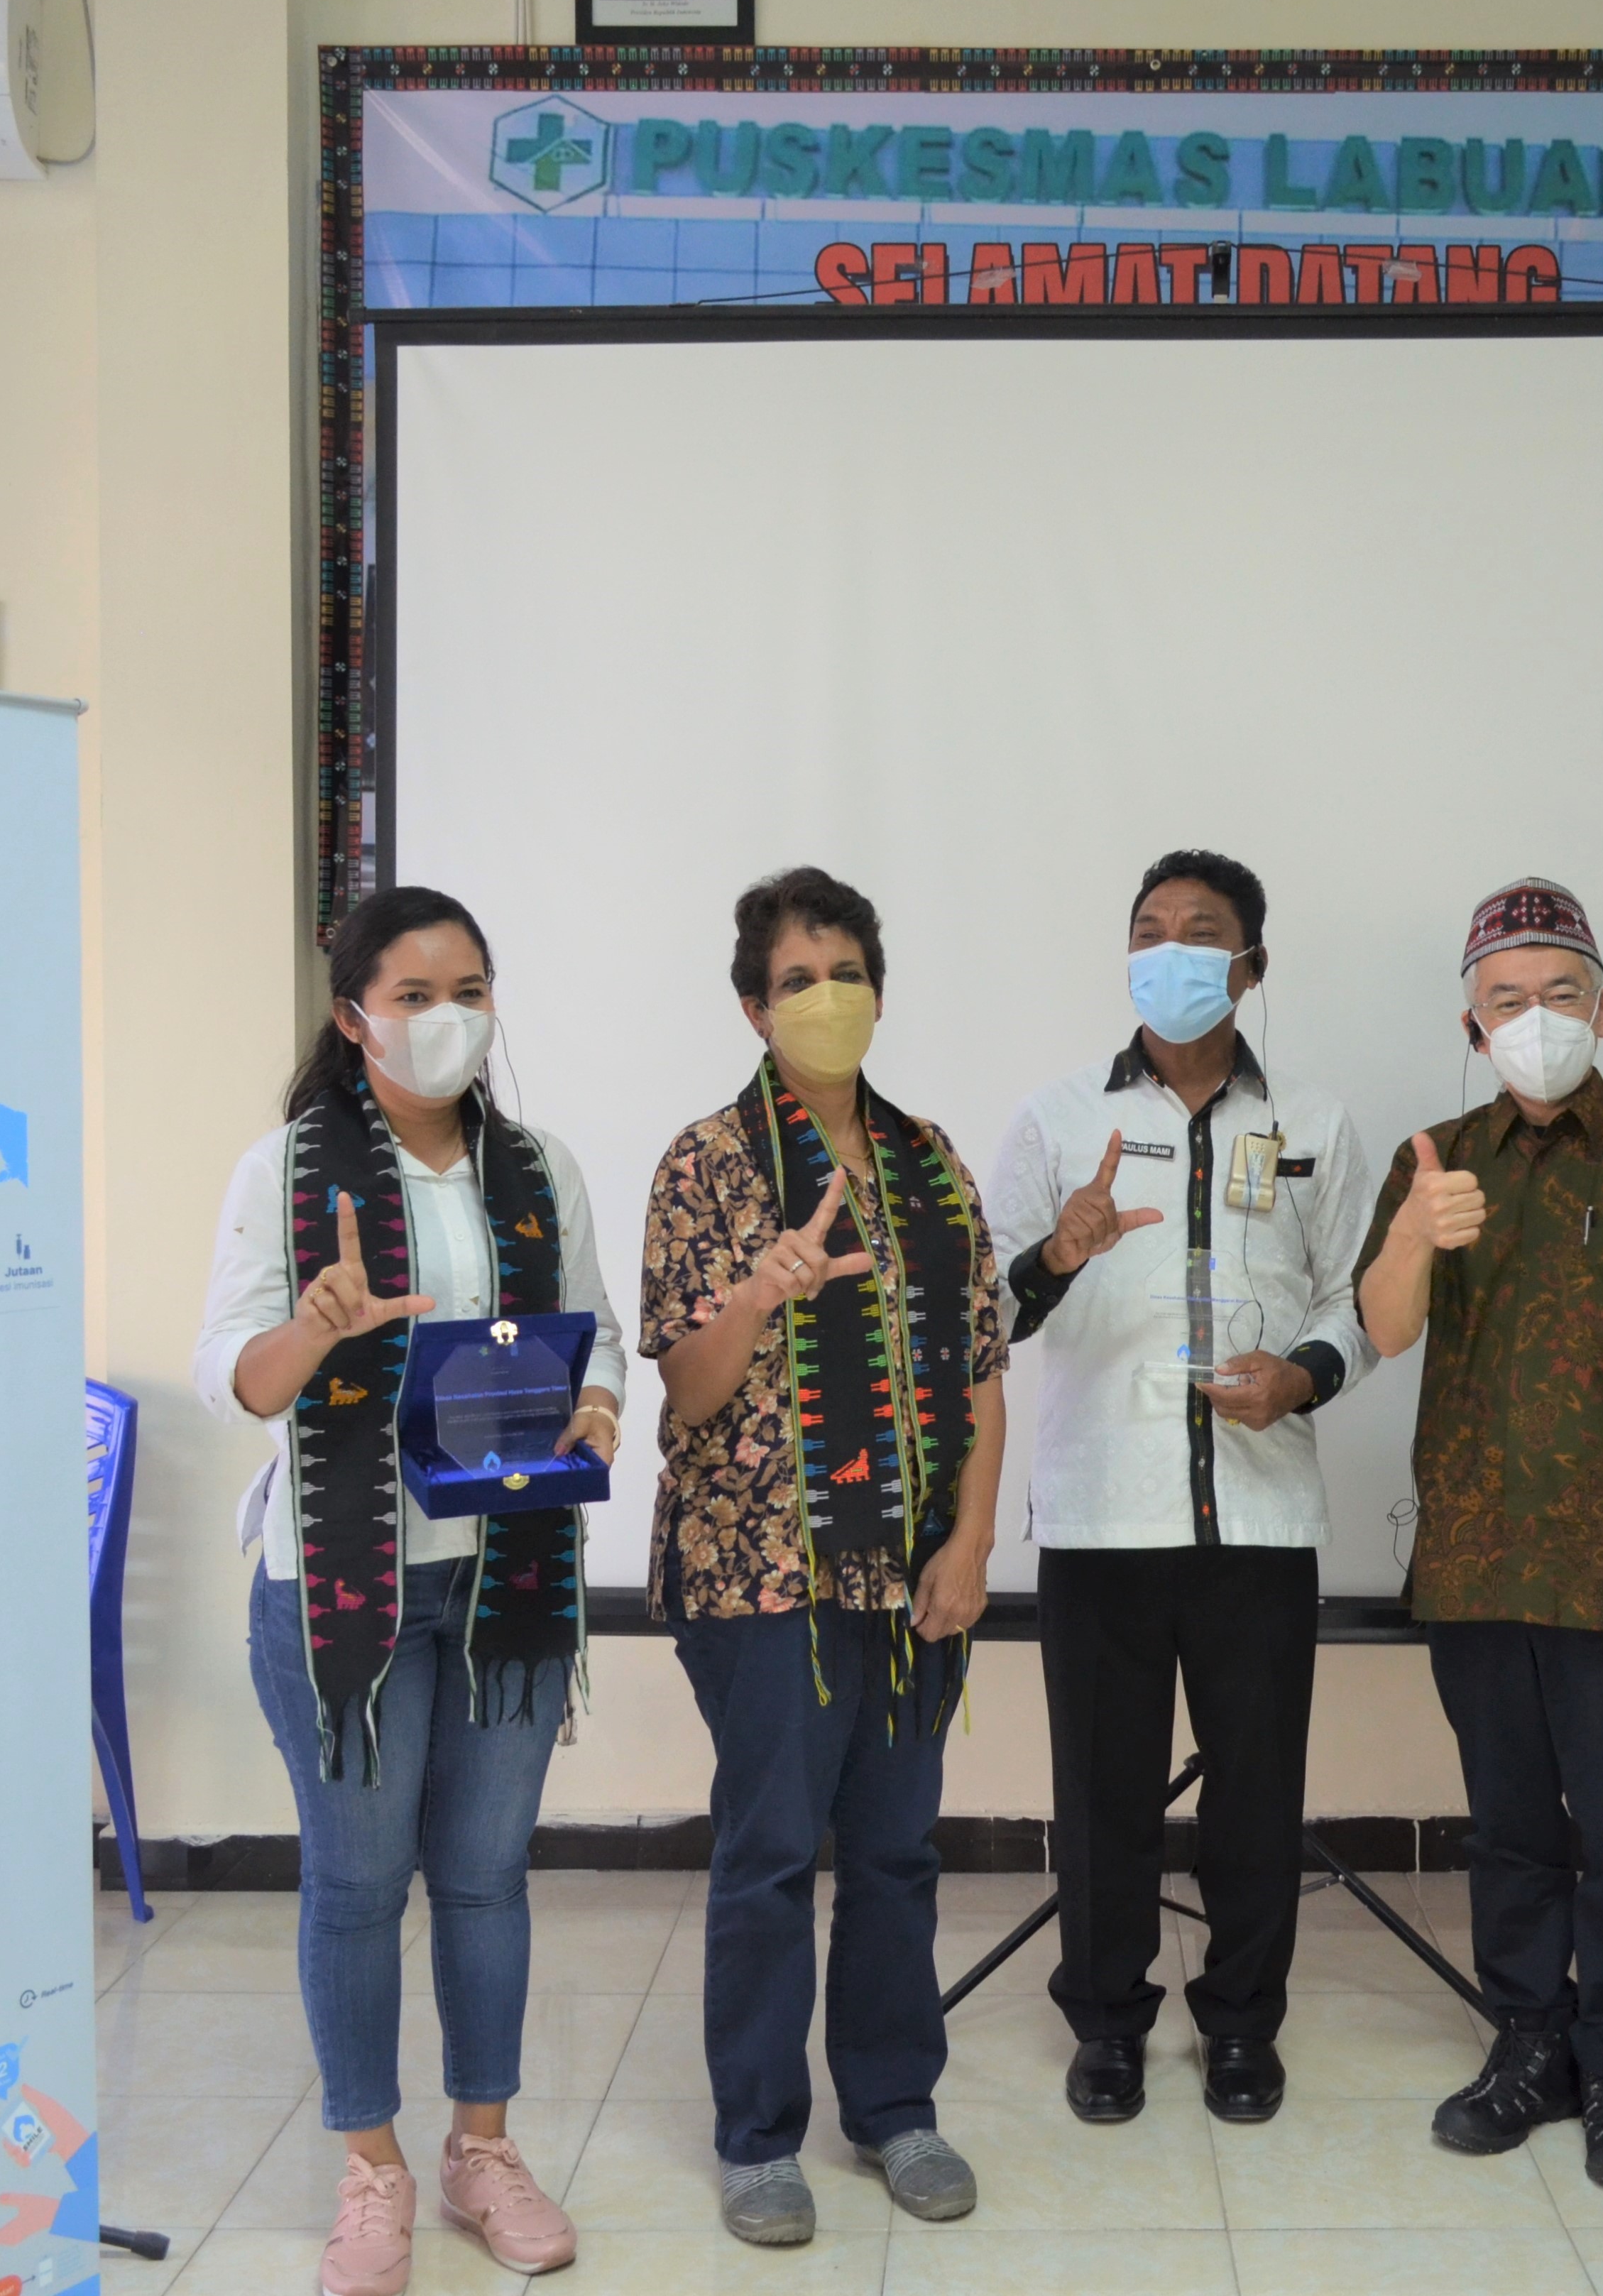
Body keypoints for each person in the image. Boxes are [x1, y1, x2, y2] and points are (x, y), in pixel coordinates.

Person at [194, 882, 618, 2290]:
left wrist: (599, 1408)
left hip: (507, 1582)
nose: (449, 1020)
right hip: (342, 1592)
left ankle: (481, 2152)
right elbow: (230, 1379)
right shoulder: (285, 1174)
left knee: (486, 1881)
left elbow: (598, 1336)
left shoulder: (540, 1168)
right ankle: (369, 2169)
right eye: (416, 997)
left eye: (471, 994)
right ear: (353, 1017)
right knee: (359, 1884)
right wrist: (313, 1331)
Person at [1356, 876, 1603, 2190]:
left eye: (1562, 994)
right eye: (1508, 1000)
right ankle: (1531, 2041)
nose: (1537, 1019)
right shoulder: (1435, 1156)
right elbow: (1387, 1329)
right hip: (1477, 1551)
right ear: (1473, 1024)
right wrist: (1413, 1234)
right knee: (1511, 1827)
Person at [638, 866, 1007, 2248]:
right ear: (755, 1007)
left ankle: (896, 2109)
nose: (827, 997)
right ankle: (756, 2139)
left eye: (847, 973)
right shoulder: (707, 1162)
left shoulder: (931, 1163)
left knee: (899, 1854)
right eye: (798, 980)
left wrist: (970, 1539)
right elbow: (687, 1391)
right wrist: (757, 1291)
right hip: (762, 1579)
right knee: (772, 1854)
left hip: (913, 1575)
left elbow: (981, 1369)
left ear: (879, 993)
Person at [987, 849, 1377, 2128]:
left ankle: (1243, 2026)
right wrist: (1058, 1253)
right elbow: (985, 1313)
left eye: (1199, 932)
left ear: (1250, 966)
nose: (1170, 951)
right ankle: (1107, 2025)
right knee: (1105, 1794)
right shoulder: (1056, 1120)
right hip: (1104, 1514)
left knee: (1256, 1792)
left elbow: (1358, 1299)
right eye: (1148, 930)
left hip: (1259, 1516)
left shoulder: (1315, 1123)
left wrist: (1305, 1377)